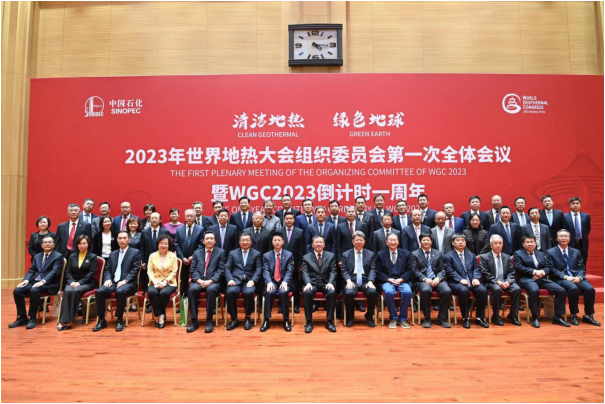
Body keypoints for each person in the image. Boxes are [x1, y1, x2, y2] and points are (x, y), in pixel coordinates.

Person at [545, 230, 600, 326]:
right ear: (557, 238)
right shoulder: (550, 252)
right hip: (560, 279)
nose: (564, 238)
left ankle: (588, 315)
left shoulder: (576, 252)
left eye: (566, 236)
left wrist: (579, 277)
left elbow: (582, 268)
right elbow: (551, 269)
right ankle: (574, 315)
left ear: (570, 238)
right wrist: (566, 277)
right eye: (561, 236)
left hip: (576, 277)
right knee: (573, 288)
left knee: (590, 289)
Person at [513, 235, 569, 328]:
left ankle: (557, 317)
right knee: (534, 290)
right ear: (523, 244)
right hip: (527, 279)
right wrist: (534, 272)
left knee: (561, 290)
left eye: (532, 242)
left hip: (541, 278)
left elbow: (548, 267)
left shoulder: (541, 254)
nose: (530, 244)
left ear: (535, 243)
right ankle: (535, 317)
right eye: (527, 242)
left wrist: (543, 272)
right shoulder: (518, 254)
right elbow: (519, 267)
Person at [9, 235, 64, 329]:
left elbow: (54, 272)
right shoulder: (37, 256)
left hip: (49, 283)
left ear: (54, 244)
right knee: (17, 290)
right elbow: (32, 270)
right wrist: (26, 280)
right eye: (45, 242)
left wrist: (43, 281)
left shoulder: (58, 256)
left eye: (50, 242)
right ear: (42, 245)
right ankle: (22, 317)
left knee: (34, 290)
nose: (47, 244)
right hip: (35, 281)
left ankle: (32, 318)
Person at [93, 231, 141, 332]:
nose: (122, 240)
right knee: (99, 291)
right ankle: (101, 320)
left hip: (128, 283)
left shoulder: (135, 252)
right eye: (120, 238)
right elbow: (107, 269)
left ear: (129, 240)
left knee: (120, 291)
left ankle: (119, 319)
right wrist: (107, 279)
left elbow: (135, 270)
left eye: (124, 238)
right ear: (117, 240)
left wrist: (125, 281)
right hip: (113, 282)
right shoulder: (113, 254)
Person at [443, 234, 489, 329]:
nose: (460, 242)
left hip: (471, 280)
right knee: (464, 290)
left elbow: (476, 268)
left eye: (462, 240)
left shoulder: (471, 255)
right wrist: (460, 279)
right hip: (456, 282)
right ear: (453, 243)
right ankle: (465, 318)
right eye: (458, 240)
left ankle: (479, 318)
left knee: (482, 290)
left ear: (465, 243)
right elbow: (449, 271)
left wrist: (476, 278)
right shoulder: (448, 256)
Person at [186, 231, 225, 333]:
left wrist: (210, 281)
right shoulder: (197, 253)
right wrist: (199, 280)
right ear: (203, 241)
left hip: (213, 282)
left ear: (215, 241)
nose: (209, 240)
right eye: (207, 238)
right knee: (192, 290)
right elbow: (192, 269)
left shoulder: (221, 252)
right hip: (198, 281)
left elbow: (221, 270)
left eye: (211, 238)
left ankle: (209, 320)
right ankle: (194, 321)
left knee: (211, 290)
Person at [410, 234, 452, 328]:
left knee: (447, 290)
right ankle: (427, 318)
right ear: (420, 242)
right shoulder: (414, 254)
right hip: (422, 280)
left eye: (428, 240)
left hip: (437, 279)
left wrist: (438, 278)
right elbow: (414, 270)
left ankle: (441, 318)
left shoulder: (438, 253)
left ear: (431, 241)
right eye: (424, 240)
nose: (426, 242)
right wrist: (425, 279)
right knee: (426, 290)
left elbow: (442, 269)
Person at [479, 235, 521, 326]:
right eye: (495, 243)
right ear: (491, 245)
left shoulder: (507, 257)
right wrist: (497, 281)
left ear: (502, 245)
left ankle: (513, 315)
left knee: (516, 289)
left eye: (500, 243)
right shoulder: (485, 257)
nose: (498, 245)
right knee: (497, 289)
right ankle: (496, 316)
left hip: (505, 281)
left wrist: (508, 281)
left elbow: (511, 272)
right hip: (492, 281)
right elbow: (484, 273)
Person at [57, 235, 98, 331]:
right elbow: (68, 271)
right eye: (80, 243)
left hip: (87, 283)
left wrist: (79, 283)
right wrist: (71, 282)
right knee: (67, 291)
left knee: (75, 291)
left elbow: (91, 273)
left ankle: (70, 320)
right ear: (77, 245)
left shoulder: (93, 257)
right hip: (72, 282)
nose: (82, 245)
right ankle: (63, 320)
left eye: (84, 243)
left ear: (88, 244)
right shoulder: (72, 256)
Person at [224, 232, 262, 331]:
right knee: (230, 292)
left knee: (249, 292)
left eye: (247, 240)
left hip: (249, 280)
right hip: (235, 280)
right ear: (239, 242)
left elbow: (259, 269)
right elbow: (227, 267)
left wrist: (253, 280)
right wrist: (230, 279)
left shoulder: (256, 253)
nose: (245, 242)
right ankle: (234, 318)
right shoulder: (233, 253)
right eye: (243, 240)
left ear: (251, 241)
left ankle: (248, 317)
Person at [376, 233, 413, 329]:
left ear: (398, 242)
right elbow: (378, 272)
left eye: (394, 240)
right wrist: (388, 279)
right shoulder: (380, 255)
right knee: (388, 292)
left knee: (408, 292)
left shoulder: (406, 254)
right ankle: (393, 317)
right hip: (387, 281)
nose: (393, 242)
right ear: (386, 242)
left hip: (402, 281)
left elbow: (410, 270)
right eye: (390, 240)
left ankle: (403, 318)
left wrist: (401, 279)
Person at [301, 235, 337, 333]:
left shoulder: (331, 256)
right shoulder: (306, 257)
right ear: (312, 245)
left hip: (326, 282)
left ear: (324, 244)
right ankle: (309, 322)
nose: (319, 244)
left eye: (321, 242)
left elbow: (333, 271)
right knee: (307, 292)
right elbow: (304, 272)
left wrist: (330, 282)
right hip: (312, 283)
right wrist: (308, 283)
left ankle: (329, 321)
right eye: (316, 242)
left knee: (332, 292)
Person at [341, 231, 377, 328]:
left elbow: (373, 269)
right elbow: (344, 270)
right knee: (348, 292)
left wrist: (371, 281)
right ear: (353, 241)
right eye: (357, 240)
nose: (359, 242)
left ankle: (369, 316)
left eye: (361, 240)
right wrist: (348, 281)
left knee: (372, 292)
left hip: (366, 280)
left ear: (364, 241)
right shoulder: (346, 254)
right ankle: (350, 317)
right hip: (352, 279)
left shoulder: (370, 254)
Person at [261, 233, 294, 332]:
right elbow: (265, 271)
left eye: (279, 240)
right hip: (272, 282)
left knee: (283, 292)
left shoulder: (289, 255)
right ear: (272, 242)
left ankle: (286, 320)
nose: (277, 242)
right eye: (275, 240)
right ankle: (266, 320)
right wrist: (269, 282)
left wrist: (285, 282)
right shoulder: (266, 255)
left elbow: (290, 271)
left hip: (284, 282)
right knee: (270, 292)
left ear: (283, 242)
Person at [146, 234, 179, 328]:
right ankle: (160, 315)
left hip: (169, 282)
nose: (163, 245)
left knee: (164, 293)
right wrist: (154, 281)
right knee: (152, 292)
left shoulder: (173, 256)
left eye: (166, 243)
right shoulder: (152, 256)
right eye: (161, 243)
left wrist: (165, 282)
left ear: (169, 245)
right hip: (155, 281)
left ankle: (159, 314)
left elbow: (174, 271)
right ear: (158, 244)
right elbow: (149, 271)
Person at [140, 212, 170, 313]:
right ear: (149, 220)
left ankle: (157, 305)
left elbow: (168, 246)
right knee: (149, 283)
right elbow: (142, 247)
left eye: (156, 218)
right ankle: (150, 304)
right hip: (148, 261)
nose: (154, 220)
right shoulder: (144, 232)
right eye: (152, 218)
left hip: (162, 261)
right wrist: (143, 261)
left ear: (160, 220)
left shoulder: (165, 231)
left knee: (160, 282)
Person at [175, 209, 204, 297]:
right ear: (185, 217)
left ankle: (194, 297)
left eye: (191, 216)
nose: (189, 218)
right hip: (183, 259)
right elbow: (177, 244)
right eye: (187, 216)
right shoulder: (179, 229)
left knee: (195, 279)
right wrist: (182, 257)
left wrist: (193, 257)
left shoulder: (200, 229)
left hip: (195, 259)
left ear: (195, 217)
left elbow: (201, 245)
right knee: (183, 279)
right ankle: (183, 296)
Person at [279, 212, 305, 313]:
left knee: (295, 284)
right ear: (284, 220)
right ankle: (281, 305)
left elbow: (302, 249)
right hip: (281, 261)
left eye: (291, 218)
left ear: (294, 220)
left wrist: (300, 263)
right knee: (281, 282)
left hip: (295, 261)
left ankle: (296, 305)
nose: (289, 220)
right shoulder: (279, 231)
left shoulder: (300, 232)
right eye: (287, 218)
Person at [564, 197, 591, 264]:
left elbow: (588, 229)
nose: (575, 205)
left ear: (580, 204)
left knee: (583, 261)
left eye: (577, 203)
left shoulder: (586, 216)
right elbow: (563, 229)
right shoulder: (564, 216)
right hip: (570, 242)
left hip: (583, 243)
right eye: (573, 203)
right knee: (571, 261)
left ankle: (582, 271)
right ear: (569, 205)